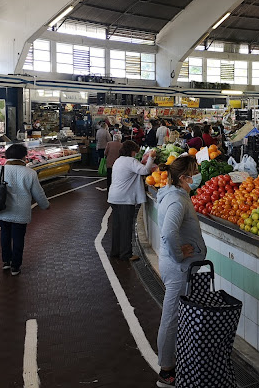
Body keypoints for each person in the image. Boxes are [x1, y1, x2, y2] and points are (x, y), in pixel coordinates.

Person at [155, 155, 206, 387]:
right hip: (178, 268)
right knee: (171, 316)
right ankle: (166, 371)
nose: (197, 176)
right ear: (184, 177)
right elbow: (168, 233)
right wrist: (179, 254)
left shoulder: (174, 195)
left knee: (177, 314)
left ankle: (176, 360)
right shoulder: (177, 200)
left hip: (178, 266)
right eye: (194, 172)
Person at [0, 144, 49, 276]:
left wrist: (1, 194)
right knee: (19, 238)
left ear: (7, 156)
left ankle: (6, 262)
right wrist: (45, 205)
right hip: (21, 212)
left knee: (5, 236)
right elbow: (38, 193)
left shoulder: (0, 170)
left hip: (4, 210)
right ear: (23, 157)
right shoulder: (30, 173)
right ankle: (16, 266)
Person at [107, 141, 156, 261]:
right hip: (124, 199)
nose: (135, 154)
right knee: (126, 227)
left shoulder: (118, 160)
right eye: (135, 151)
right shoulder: (130, 161)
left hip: (114, 197)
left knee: (117, 226)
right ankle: (126, 254)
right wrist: (151, 158)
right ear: (132, 151)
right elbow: (145, 171)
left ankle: (115, 251)